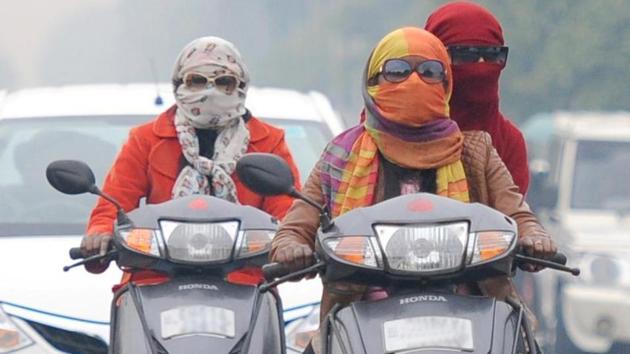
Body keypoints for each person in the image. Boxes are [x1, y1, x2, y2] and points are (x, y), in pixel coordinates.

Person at [270, 27, 555, 352]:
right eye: (398, 71)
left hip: (471, 307)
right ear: (373, 82)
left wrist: (535, 238)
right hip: (358, 306)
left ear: (447, 84)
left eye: (430, 71)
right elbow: (294, 228)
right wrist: (292, 248)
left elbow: (518, 214)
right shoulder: (341, 153)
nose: (414, 81)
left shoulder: (477, 150)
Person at [82, 36, 301, 285]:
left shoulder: (268, 141)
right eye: (196, 81)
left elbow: (290, 213)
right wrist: (99, 235)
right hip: (156, 278)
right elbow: (113, 204)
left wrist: (291, 246)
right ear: (178, 85)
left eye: (224, 82)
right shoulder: (145, 139)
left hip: (246, 282)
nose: (210, 91)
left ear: (241, 86)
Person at [425, 1, 530, 195]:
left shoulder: (509, 141)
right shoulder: (394, 135)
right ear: (435, 61)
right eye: (466, 55)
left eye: (492, 55)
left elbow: (512, 215)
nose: (481, 67)